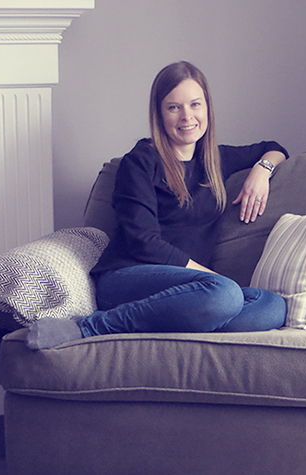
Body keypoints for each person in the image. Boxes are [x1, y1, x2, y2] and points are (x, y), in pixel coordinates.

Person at [27, 61, 288, 350]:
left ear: (207, 109)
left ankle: (180, 318)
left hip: (191, 289)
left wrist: (262, 171)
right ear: (160, 114)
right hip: (128, 277)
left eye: (195, 104)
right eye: (174, 107)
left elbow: (275, 148)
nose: (187, 116)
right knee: (224, 295)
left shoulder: (216, 160)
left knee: (272, 306)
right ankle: (90, 327)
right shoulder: (140, 162)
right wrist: (207, 277)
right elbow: (143, 242)